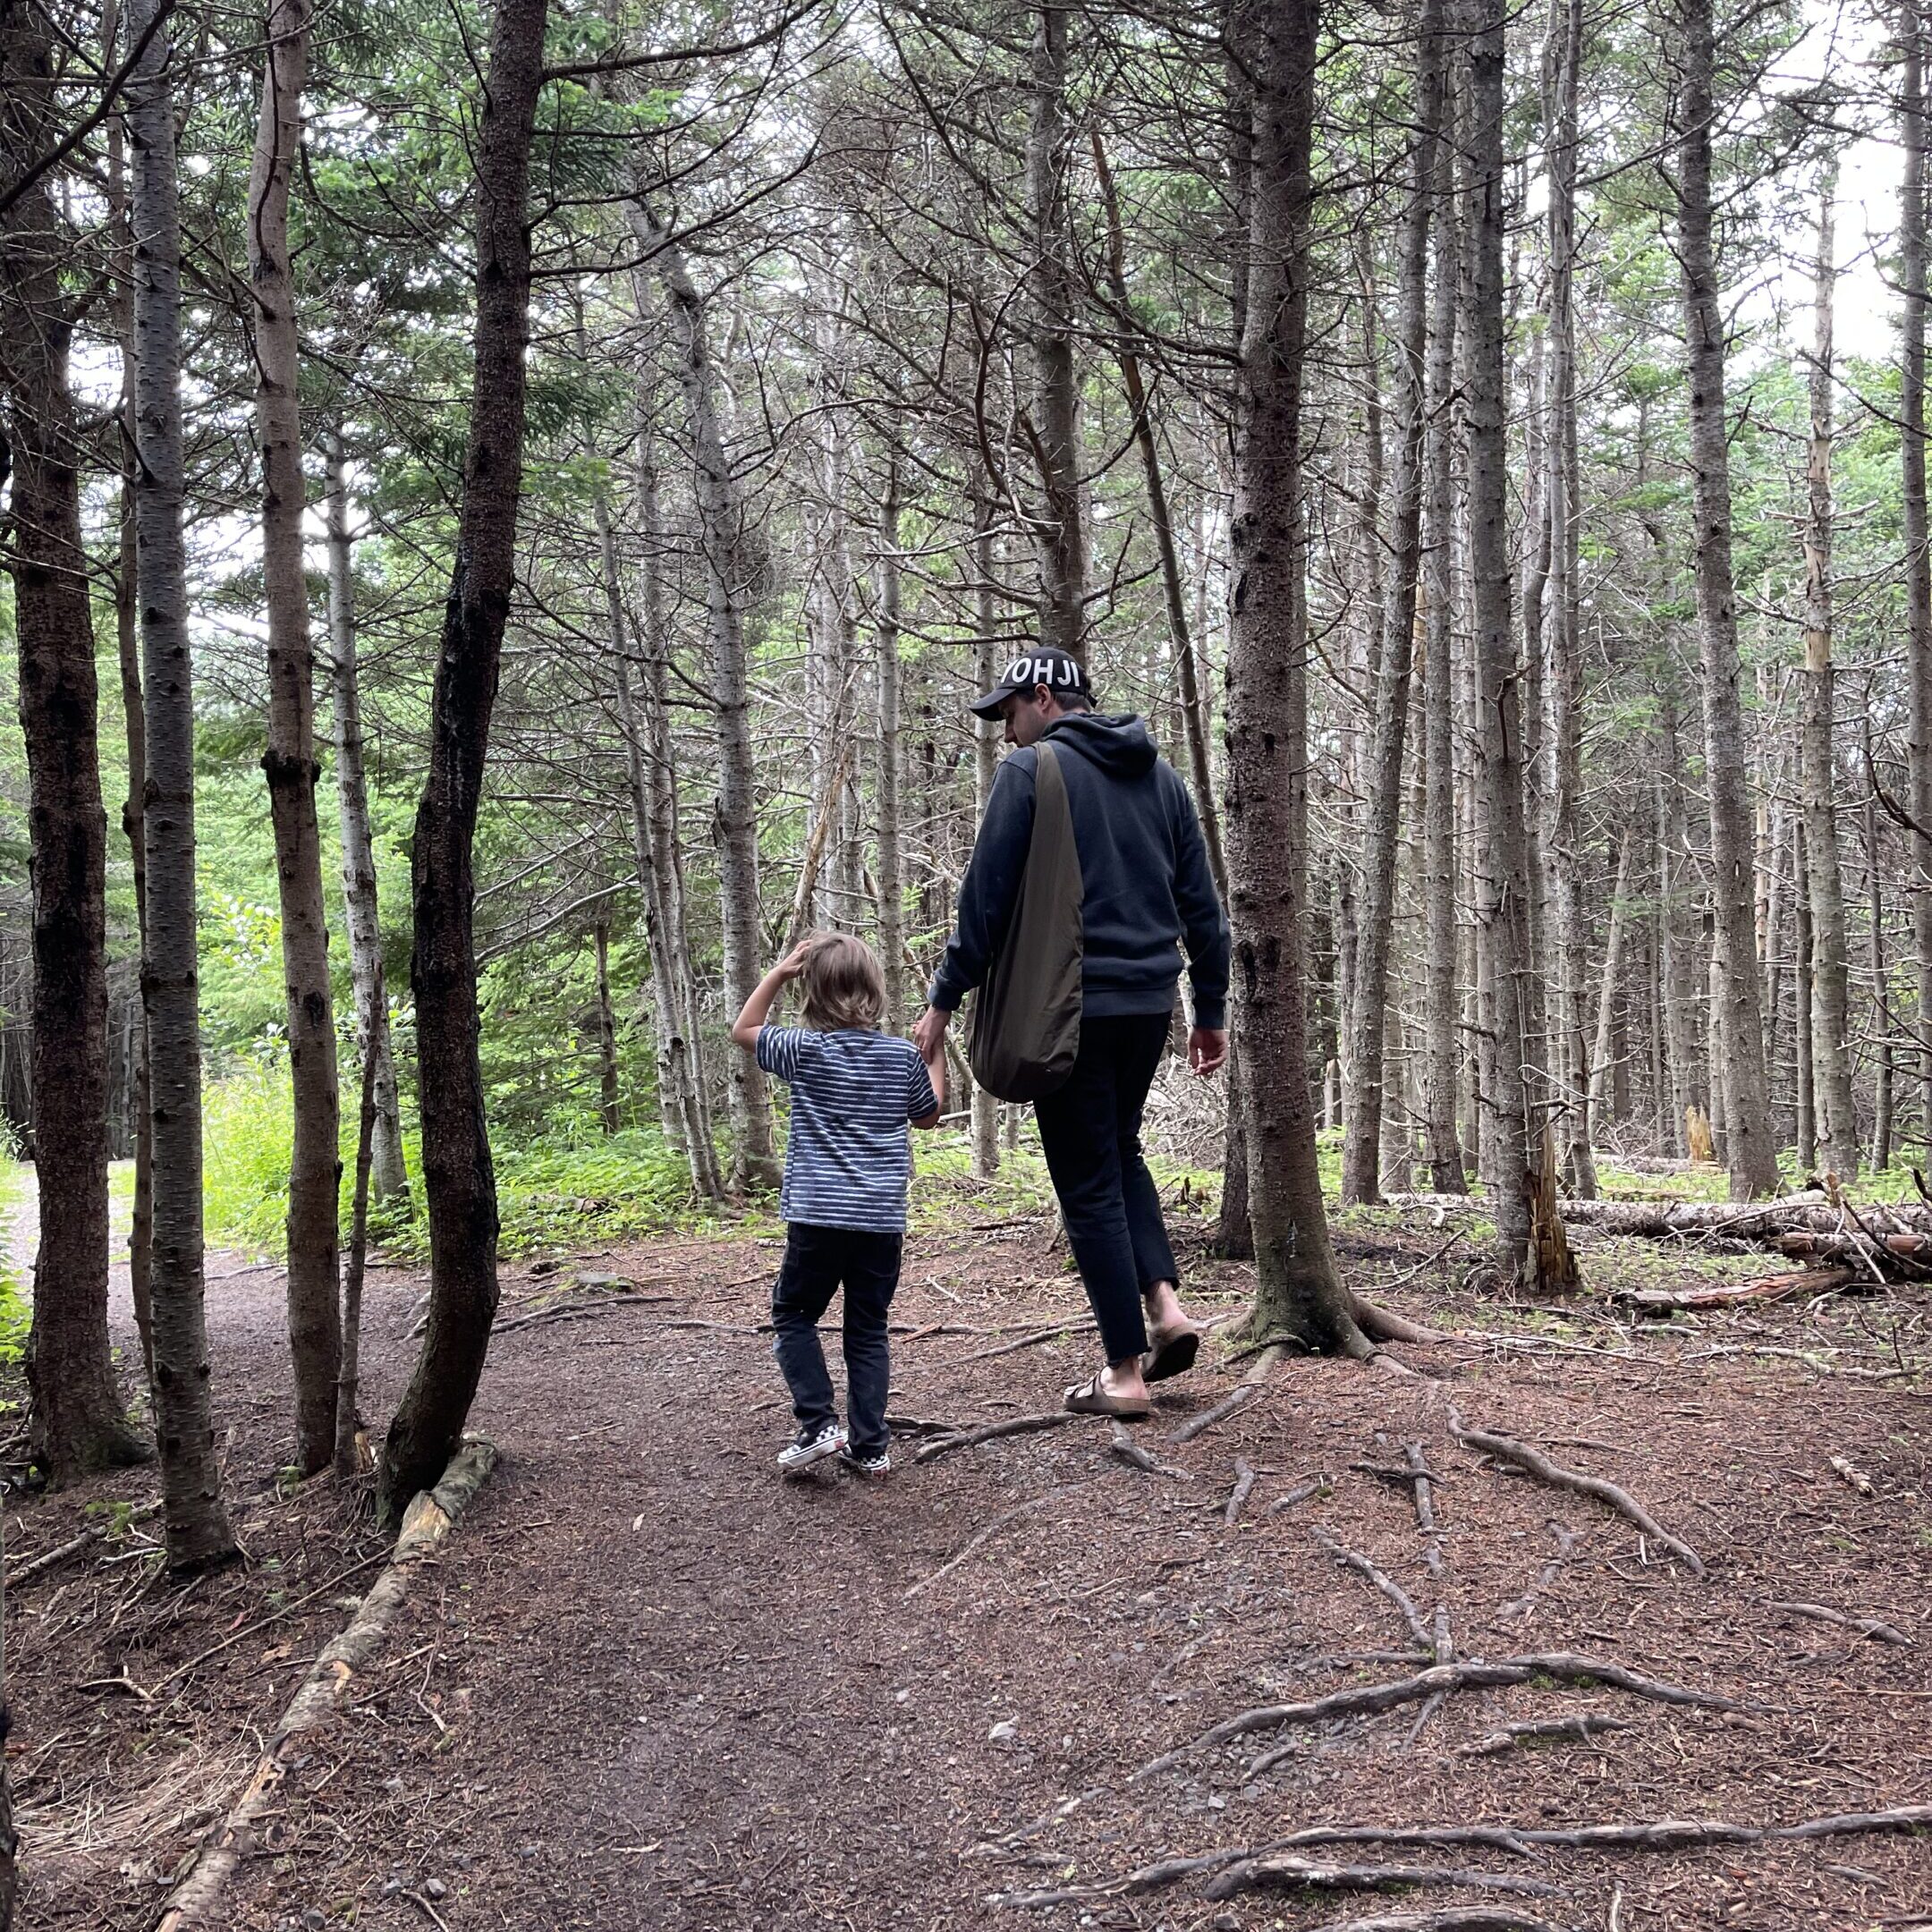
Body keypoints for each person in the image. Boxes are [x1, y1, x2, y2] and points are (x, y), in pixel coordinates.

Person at [912, 648, 1230, 1421]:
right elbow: (1204, 910)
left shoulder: (1032, 774)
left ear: (1046, 697)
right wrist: (1209, 1010)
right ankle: (1164, 1305)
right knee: (1119, 1152)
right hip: (1148, 1006)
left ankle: (1124, 1372)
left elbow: (983, 901)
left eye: (1010, 712)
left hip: (1068, 1010)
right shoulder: (1162, 779)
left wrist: (943, 998)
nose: (1006, 730)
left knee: (1086, 1180)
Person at [733, 932, 944, 1476]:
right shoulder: (900, 1057)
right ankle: (870, 1446)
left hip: (818, 1216)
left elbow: (744, 1030)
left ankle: (818, 1422)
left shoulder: (806, 1049)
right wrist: (934, 1054)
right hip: (880, 1220)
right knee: (867, 1327)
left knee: (794, 1313)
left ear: (813, 991)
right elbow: (927, 1115)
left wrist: (779, 973)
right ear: (874, 989)